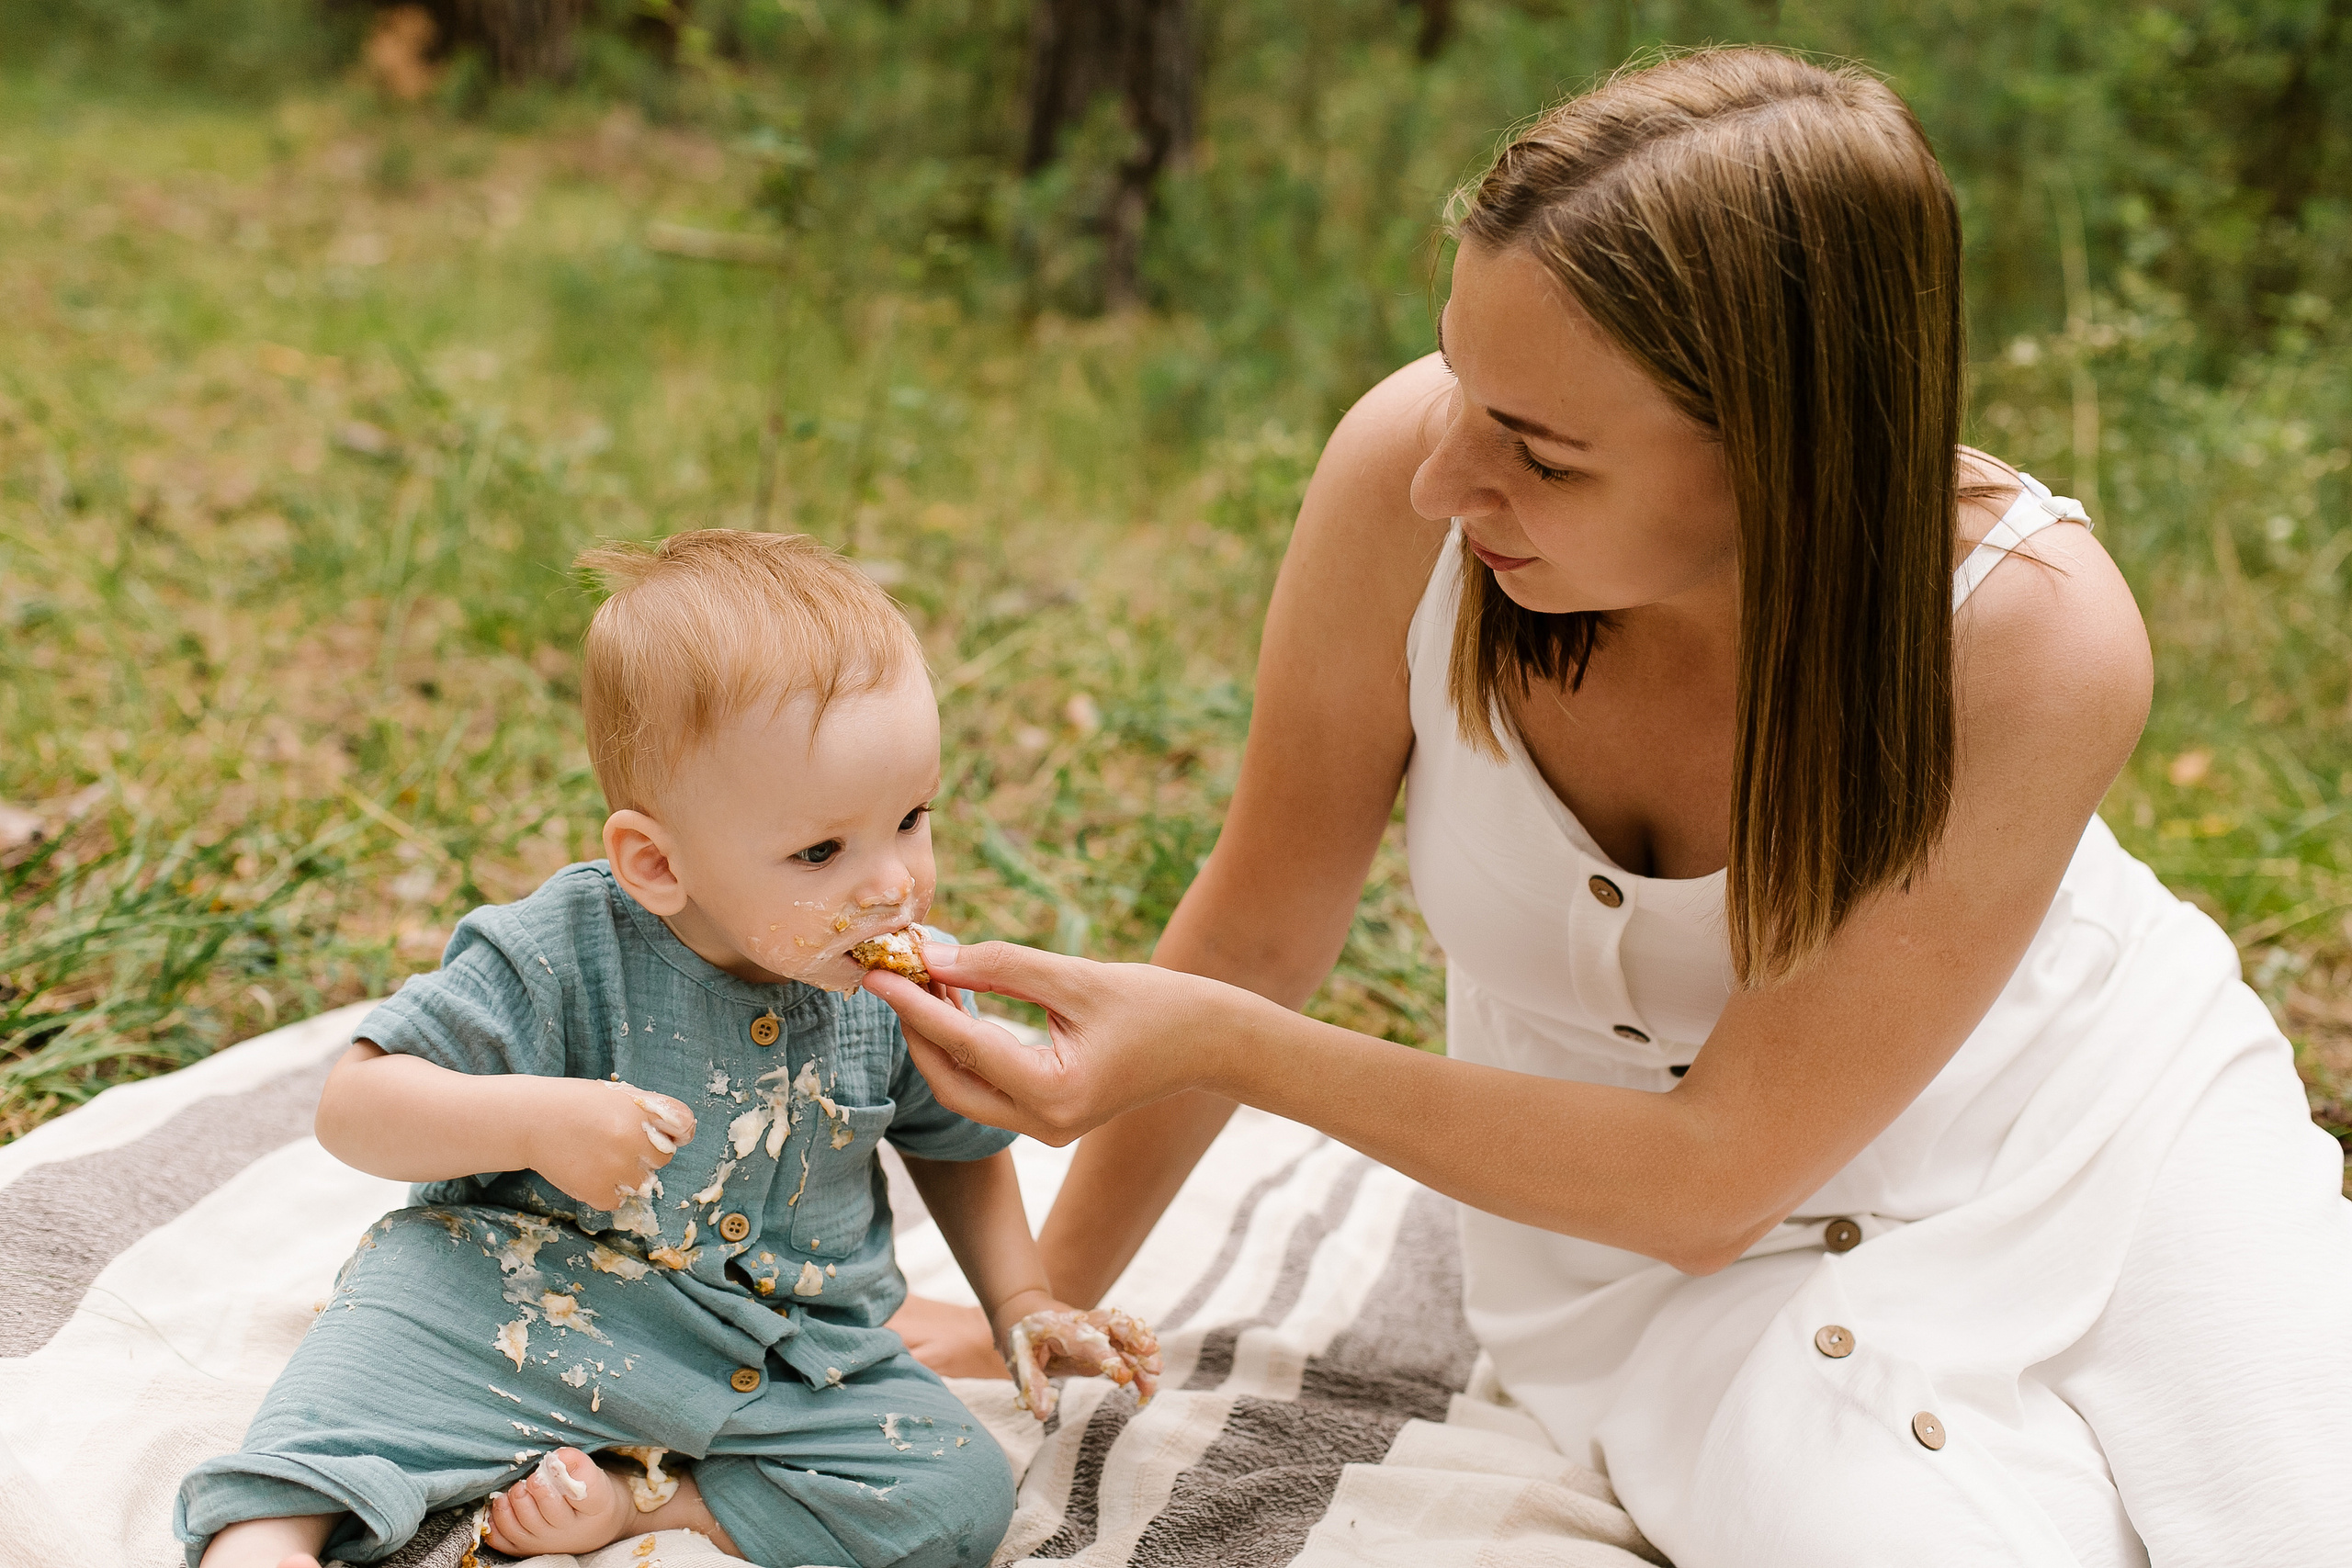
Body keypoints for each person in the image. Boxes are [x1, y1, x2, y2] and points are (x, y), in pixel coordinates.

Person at [865, 48, 2352, 1568]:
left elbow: (1725, 1157)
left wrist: (1220, 1045)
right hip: (1653, 1262)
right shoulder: (1406, 484)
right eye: (1460, 381)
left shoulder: (2026, 630)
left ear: (1786, 451)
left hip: (2096, 1139)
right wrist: (1028, 1300)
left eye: (1542, 451)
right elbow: (1254, 932)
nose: (1447, 474)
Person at [177, 531, 1157, 1568]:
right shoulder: (560, 951)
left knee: (955, 1488)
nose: (891, 885)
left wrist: (1023, 1302)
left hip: (785, 1357)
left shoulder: (897, 985)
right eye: (821, 850)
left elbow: (957, 1145)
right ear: (656, 861)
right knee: (375, 1341)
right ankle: (268, 1534)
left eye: (911, 818)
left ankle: (653, 1506)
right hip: (526, 1303)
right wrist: (534, 1121)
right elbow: (356, 1106)